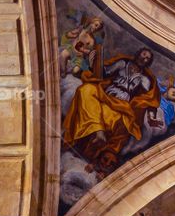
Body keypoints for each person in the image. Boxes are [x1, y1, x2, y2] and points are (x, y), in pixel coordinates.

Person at [62, 46, 161, 175]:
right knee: (86, 90)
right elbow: (104, 73)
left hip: (122, 105)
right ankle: (99, 131)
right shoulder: (122, 63)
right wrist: (94, 60)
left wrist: (152, 117)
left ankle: (99, 154)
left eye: (147, 58)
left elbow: (149, 101)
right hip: (106, 95)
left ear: (149, 62)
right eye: (143, 54)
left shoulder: (145, 79)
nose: (144, 58)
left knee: (124, 125)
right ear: (138, 54)